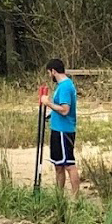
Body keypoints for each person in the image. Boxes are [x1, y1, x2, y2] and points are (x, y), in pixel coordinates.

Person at [41, 59, 79, 196]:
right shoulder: (61, 86)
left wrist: (48, 103)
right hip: (57, 129)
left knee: (68, 164)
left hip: (64, 130)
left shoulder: (65, 87)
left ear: (53, 71)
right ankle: (59, 195)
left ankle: (75, 197)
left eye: (49, 73)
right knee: (58, 164)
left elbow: (65, 110)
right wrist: (49, 114)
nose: (49, 76)